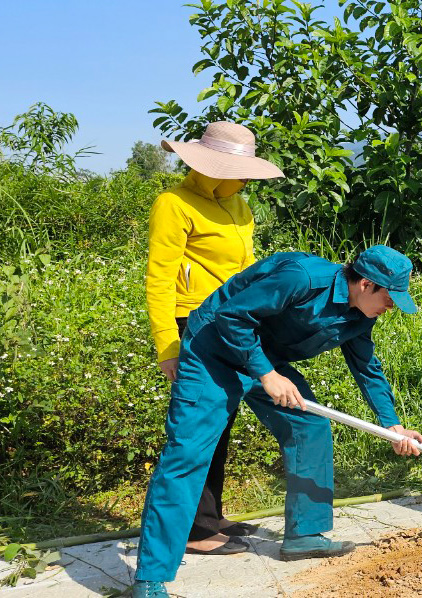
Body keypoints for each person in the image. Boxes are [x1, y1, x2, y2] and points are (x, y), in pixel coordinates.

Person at [132, 247, 422, 598]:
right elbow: (231, 317)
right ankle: (150, 578)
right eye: (390, 299)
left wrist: (391, 426)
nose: (391, 308)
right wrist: (267, 374)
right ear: (366, 284)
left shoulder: (361, 314)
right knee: (187, 454)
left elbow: (366, 366)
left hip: (263, 358)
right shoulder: (301, 278)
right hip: (215, 349)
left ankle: (305, 534)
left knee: (309, 425)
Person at [147, 121, 283, 556]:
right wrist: (168, 344)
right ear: (211, 167)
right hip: (194, 325)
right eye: (237, 171)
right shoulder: (174, 203)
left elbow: (249, 271)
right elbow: (159, 278)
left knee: (222, 421)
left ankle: (209, 515)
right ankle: (195, 530)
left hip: (235, 324)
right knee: (198, 426)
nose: (245, 179)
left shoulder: (240, 206)